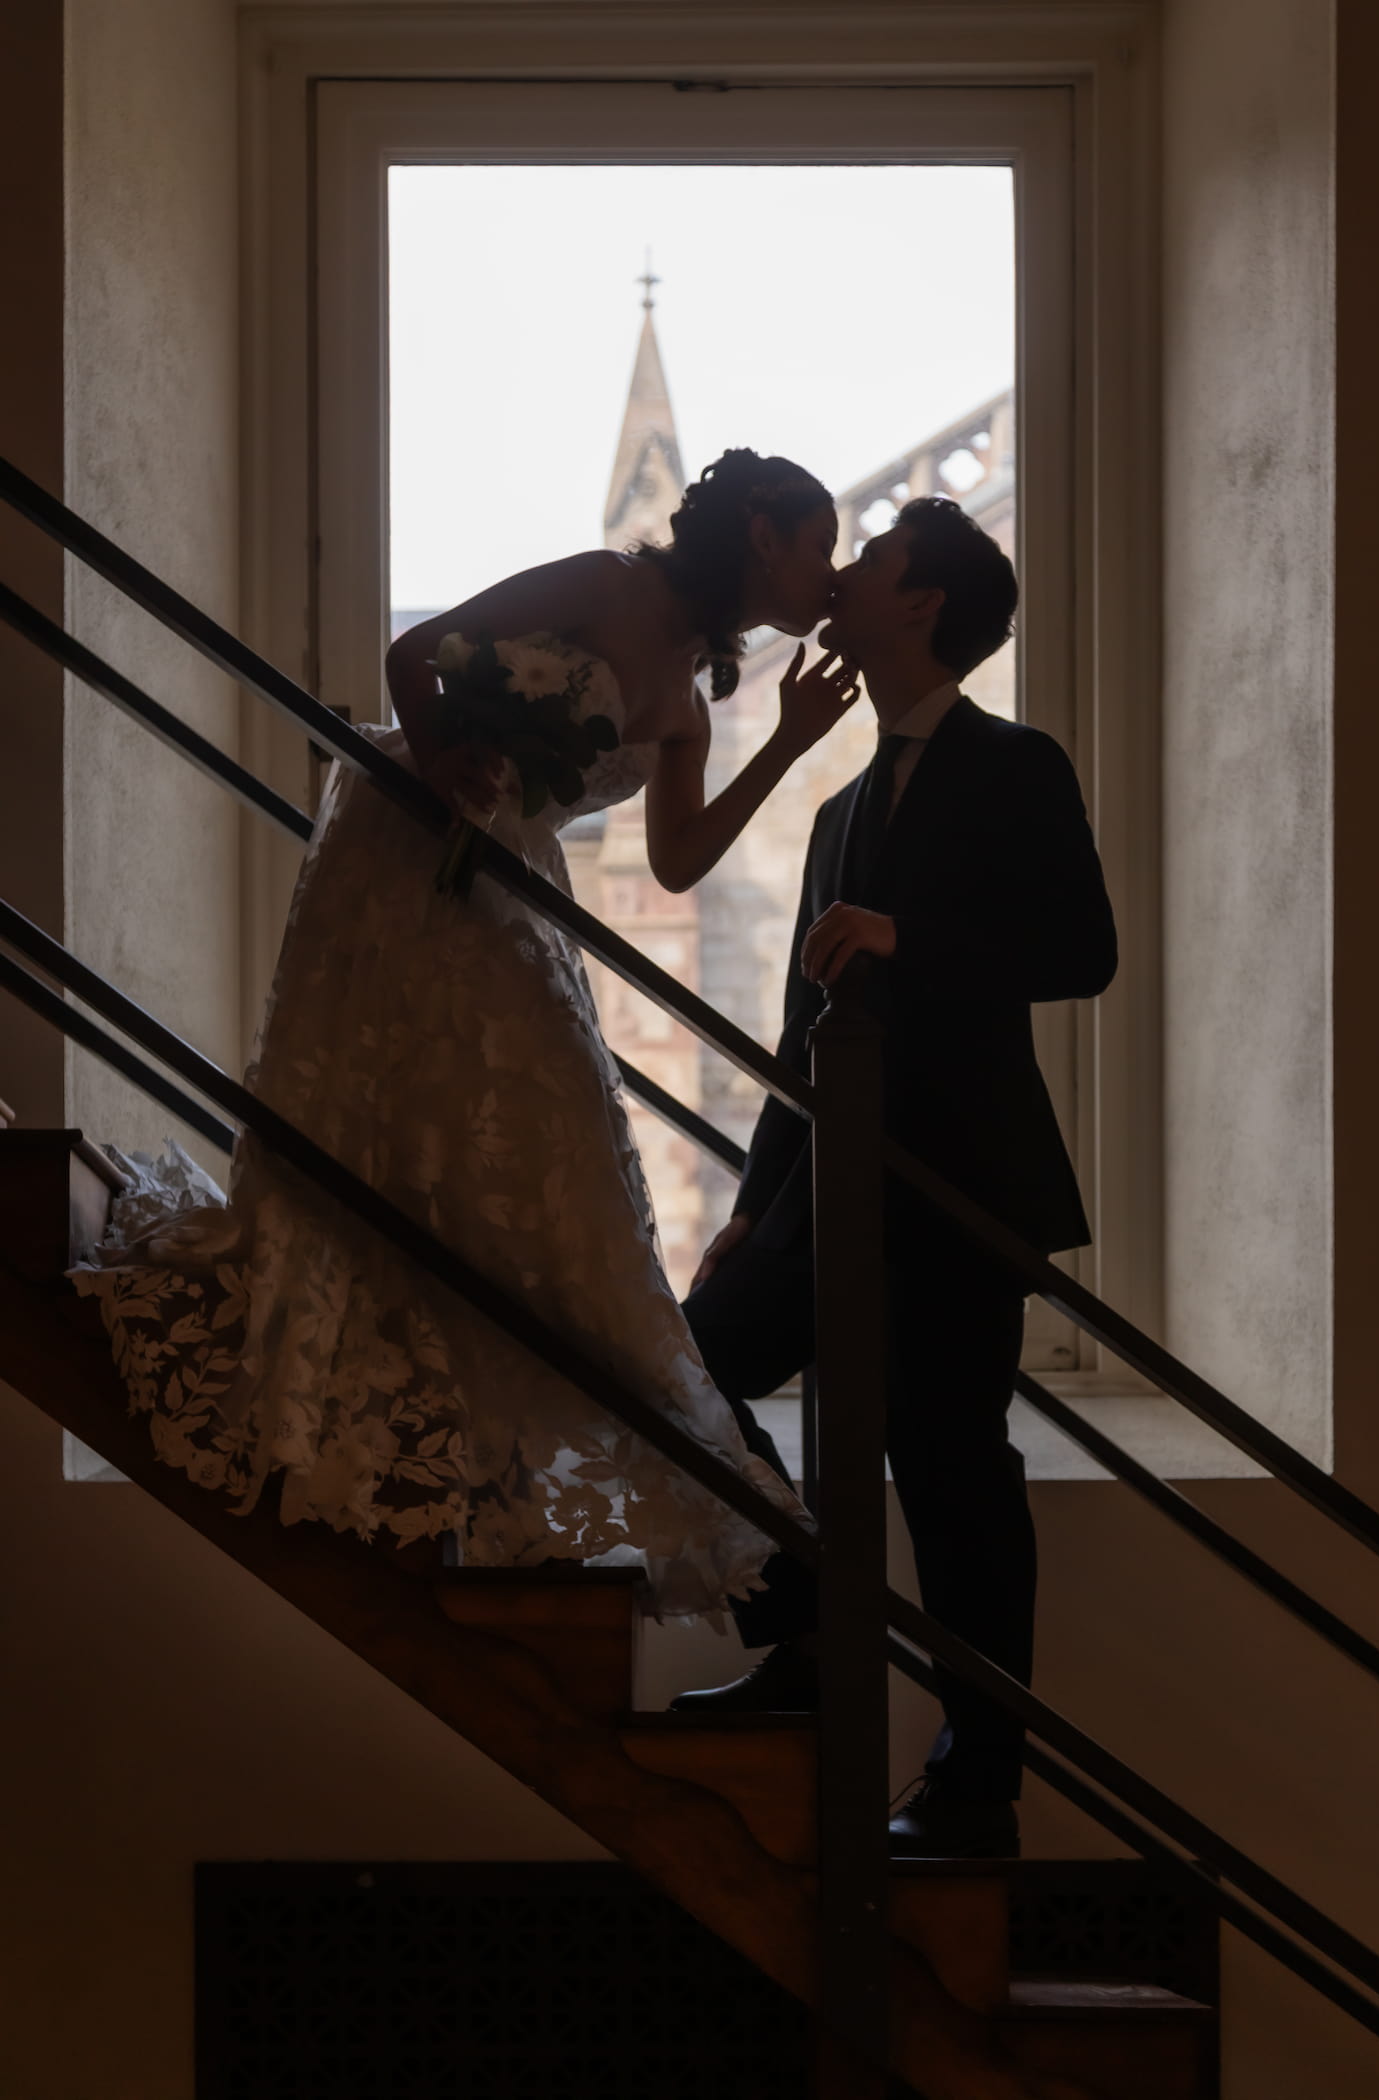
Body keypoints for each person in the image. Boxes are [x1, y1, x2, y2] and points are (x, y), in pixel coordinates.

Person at [74, 450, 858, 1620]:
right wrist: (443, 758)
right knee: (425, 1104)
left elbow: (679, 863)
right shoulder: (603, 585)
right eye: (818, 548)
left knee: (529, 1132)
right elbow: (416, 652)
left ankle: (465, 1425)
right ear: (759, 534)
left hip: (512, 877)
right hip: (407, 846)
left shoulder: (691, 706)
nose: (826, 577)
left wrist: (788, 744)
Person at [672, 496, 1118, 1853]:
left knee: (951, 1478)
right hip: (822, 1199)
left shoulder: (1019, 764)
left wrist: (908, 935)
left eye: (869, 562)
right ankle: (802, 1628)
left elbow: (1081, 953)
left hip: (960, 1189)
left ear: (921, 605)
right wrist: (752, 1206)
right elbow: (806, 1039)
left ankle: (978, 1789)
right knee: (678, 1375)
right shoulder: (839, 813)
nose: (846, 578)